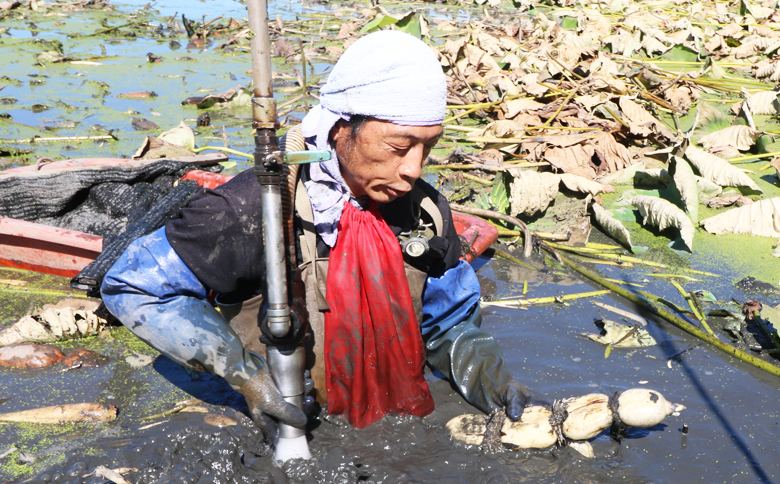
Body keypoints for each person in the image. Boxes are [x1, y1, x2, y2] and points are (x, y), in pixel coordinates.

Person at [100, 30, 534, 439]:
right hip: (277, 418)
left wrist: (492, 383)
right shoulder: (256, 206)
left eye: (429, 146)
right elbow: (134, 287)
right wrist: (244, 375)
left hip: (386, 418)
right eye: (399, 147)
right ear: (340, 129)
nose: (414, 168)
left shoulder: (424, 214)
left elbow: (449, 324)